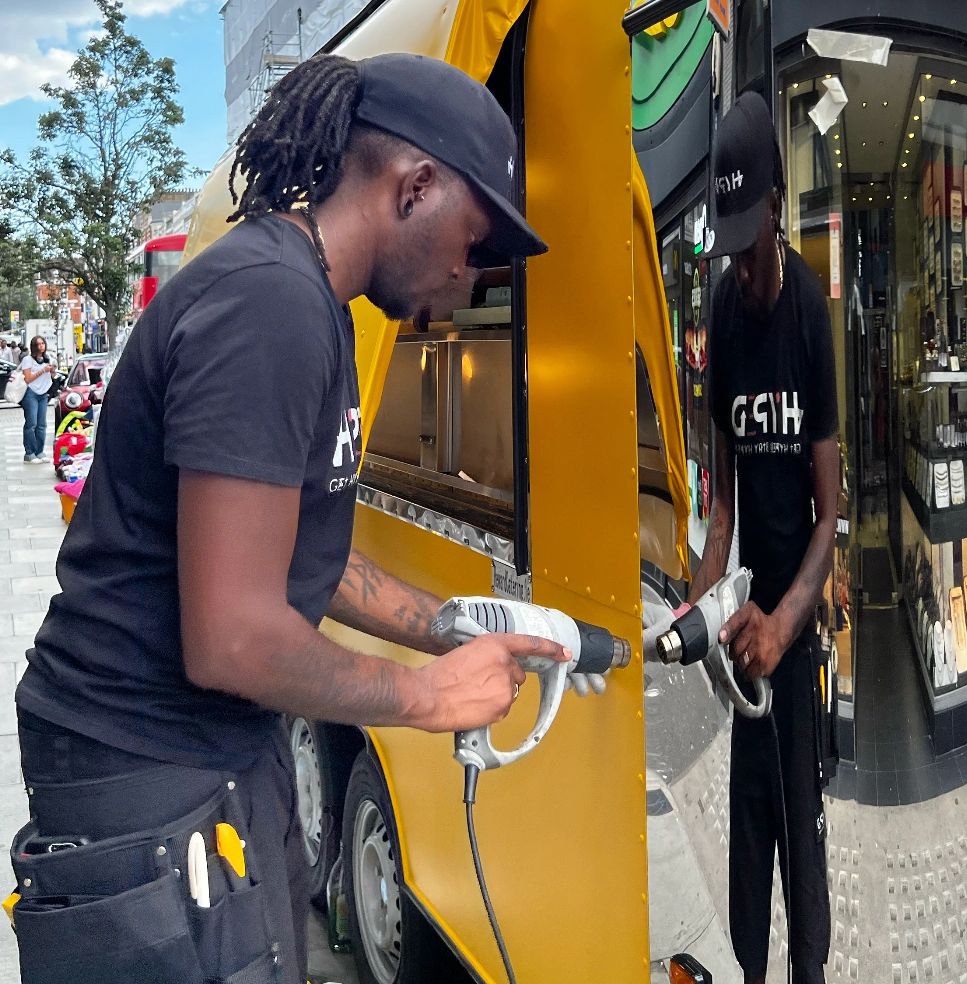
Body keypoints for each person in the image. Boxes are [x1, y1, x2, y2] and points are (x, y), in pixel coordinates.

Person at [12, 53, 564, 984]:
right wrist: (426, 699)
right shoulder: (267, 304)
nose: (475, 277)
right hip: (142, 766)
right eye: (476, 241)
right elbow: (230, 635)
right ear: (414, 186)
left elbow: (297, 553)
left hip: (207, 750)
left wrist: (455, 625)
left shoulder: (313, 306)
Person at [692, 91, 838, 984]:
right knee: (748, 835)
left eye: (751, 245)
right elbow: (720, 505)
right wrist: (703, 607)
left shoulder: (810, 317)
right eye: (731, 249)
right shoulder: (720, 308)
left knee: (801, 835)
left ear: (777, 211)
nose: (742, 271)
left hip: (796, 618)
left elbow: (831, 511)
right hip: (749, 630)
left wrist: (787, 622)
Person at [17, 335, 54, 464]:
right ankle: (29, 453)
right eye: (38, 344)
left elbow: (52, 376)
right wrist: (43, 370)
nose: (41, 346)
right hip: (31, 393)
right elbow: (28, 379)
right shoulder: (28, 360)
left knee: (42, 425)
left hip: (43, 394)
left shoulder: (48, 358)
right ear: (33, 346)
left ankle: (40, 452)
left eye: (42, 343)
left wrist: (52, 371)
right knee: (31, 424)